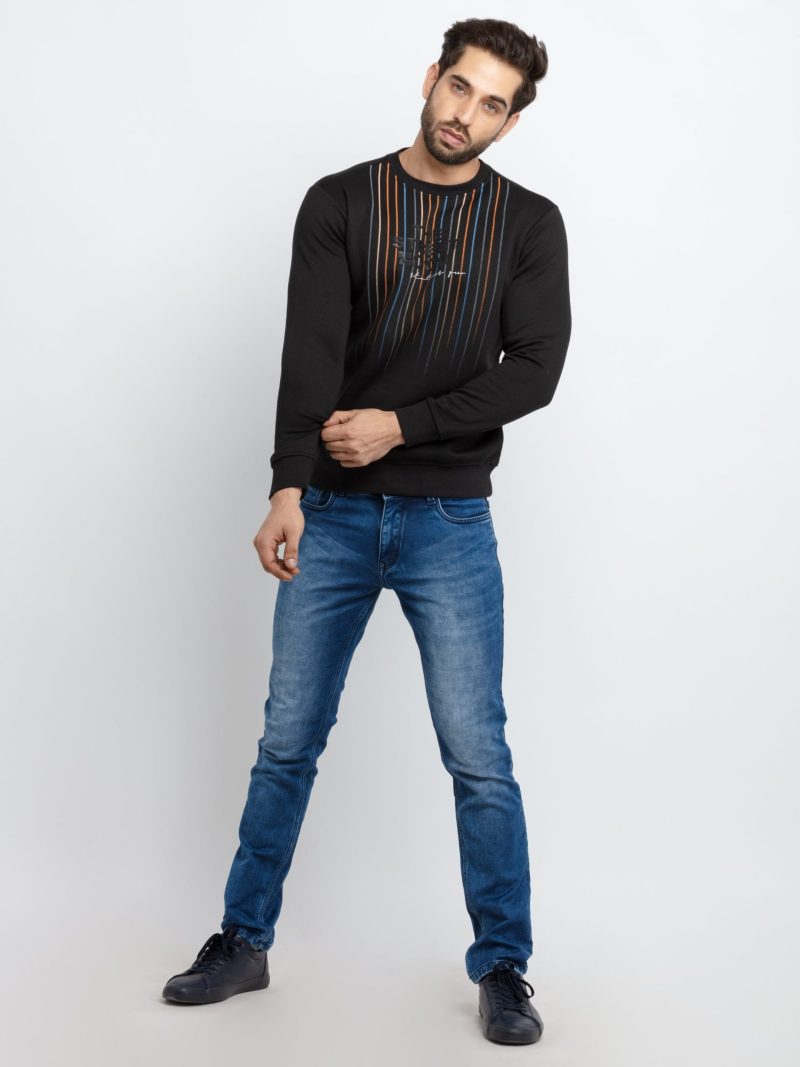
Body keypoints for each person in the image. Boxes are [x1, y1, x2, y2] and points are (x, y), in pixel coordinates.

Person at [162, 16, 571, 1046]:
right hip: (334, 516)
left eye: (491, 103)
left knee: (477, 752)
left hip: (450, 518)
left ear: (511, 122)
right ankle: (243, 939)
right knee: (287, 739)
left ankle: (504, 965)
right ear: (430, 77)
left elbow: (533, 370)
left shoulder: (528, 225)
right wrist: (286, 488)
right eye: (459, 87)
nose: (465, 113)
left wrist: (402, 424)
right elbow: (308, 354)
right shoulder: (340, 202)